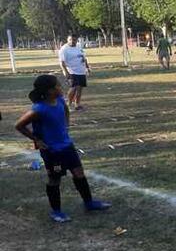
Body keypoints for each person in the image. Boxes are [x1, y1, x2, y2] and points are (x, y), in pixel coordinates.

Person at [15, 75, 111, 223]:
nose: (61, 88)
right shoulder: (39, 109)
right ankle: (56, 211)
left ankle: (89, 203)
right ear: (49, 91)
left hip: (67, 145)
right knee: (55, 179)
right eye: (58, 86)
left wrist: (66, 125)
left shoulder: (59, 100)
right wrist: (37, 140)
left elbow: (65, 110)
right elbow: (19, 125)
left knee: (79, 173)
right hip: (52, 151)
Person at [58, 33, 90, 110]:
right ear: (67, 40)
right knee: (74, 87)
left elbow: (84, 57)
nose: (72, 41)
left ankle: (77, 104)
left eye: (74, 40)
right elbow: (62, 62)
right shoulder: (64, 49)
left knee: (80, 88)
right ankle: (68, 104)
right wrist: (65, 72)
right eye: (70, 39)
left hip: (81, 71)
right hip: (71, 71)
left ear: (77, 40)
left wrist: (87, 67)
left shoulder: (79, 46)